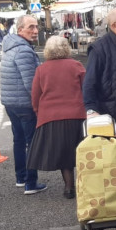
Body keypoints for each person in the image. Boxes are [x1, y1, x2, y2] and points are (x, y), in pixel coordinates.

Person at [28, 36, 86, 199]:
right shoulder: (76, 66)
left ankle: (69, 186)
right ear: (66, 48)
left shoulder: (42, 69)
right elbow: (86, 88)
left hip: (51, 116)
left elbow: (35, 95)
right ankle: (85, 185)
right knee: (82, 151)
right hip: (77, 115)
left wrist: (38, 111)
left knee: (63, 153)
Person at [0, 15, 47, 195]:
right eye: (30, 27)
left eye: (36, 27)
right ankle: (30, 182)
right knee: (31, 142)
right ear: (20, 29)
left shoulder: (10, 46)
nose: (35, 31)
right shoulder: (24, 51)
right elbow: (31, 84)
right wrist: (40, 104)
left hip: (10, 102)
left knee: (18, 141)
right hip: (24, 104)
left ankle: (21, 177)